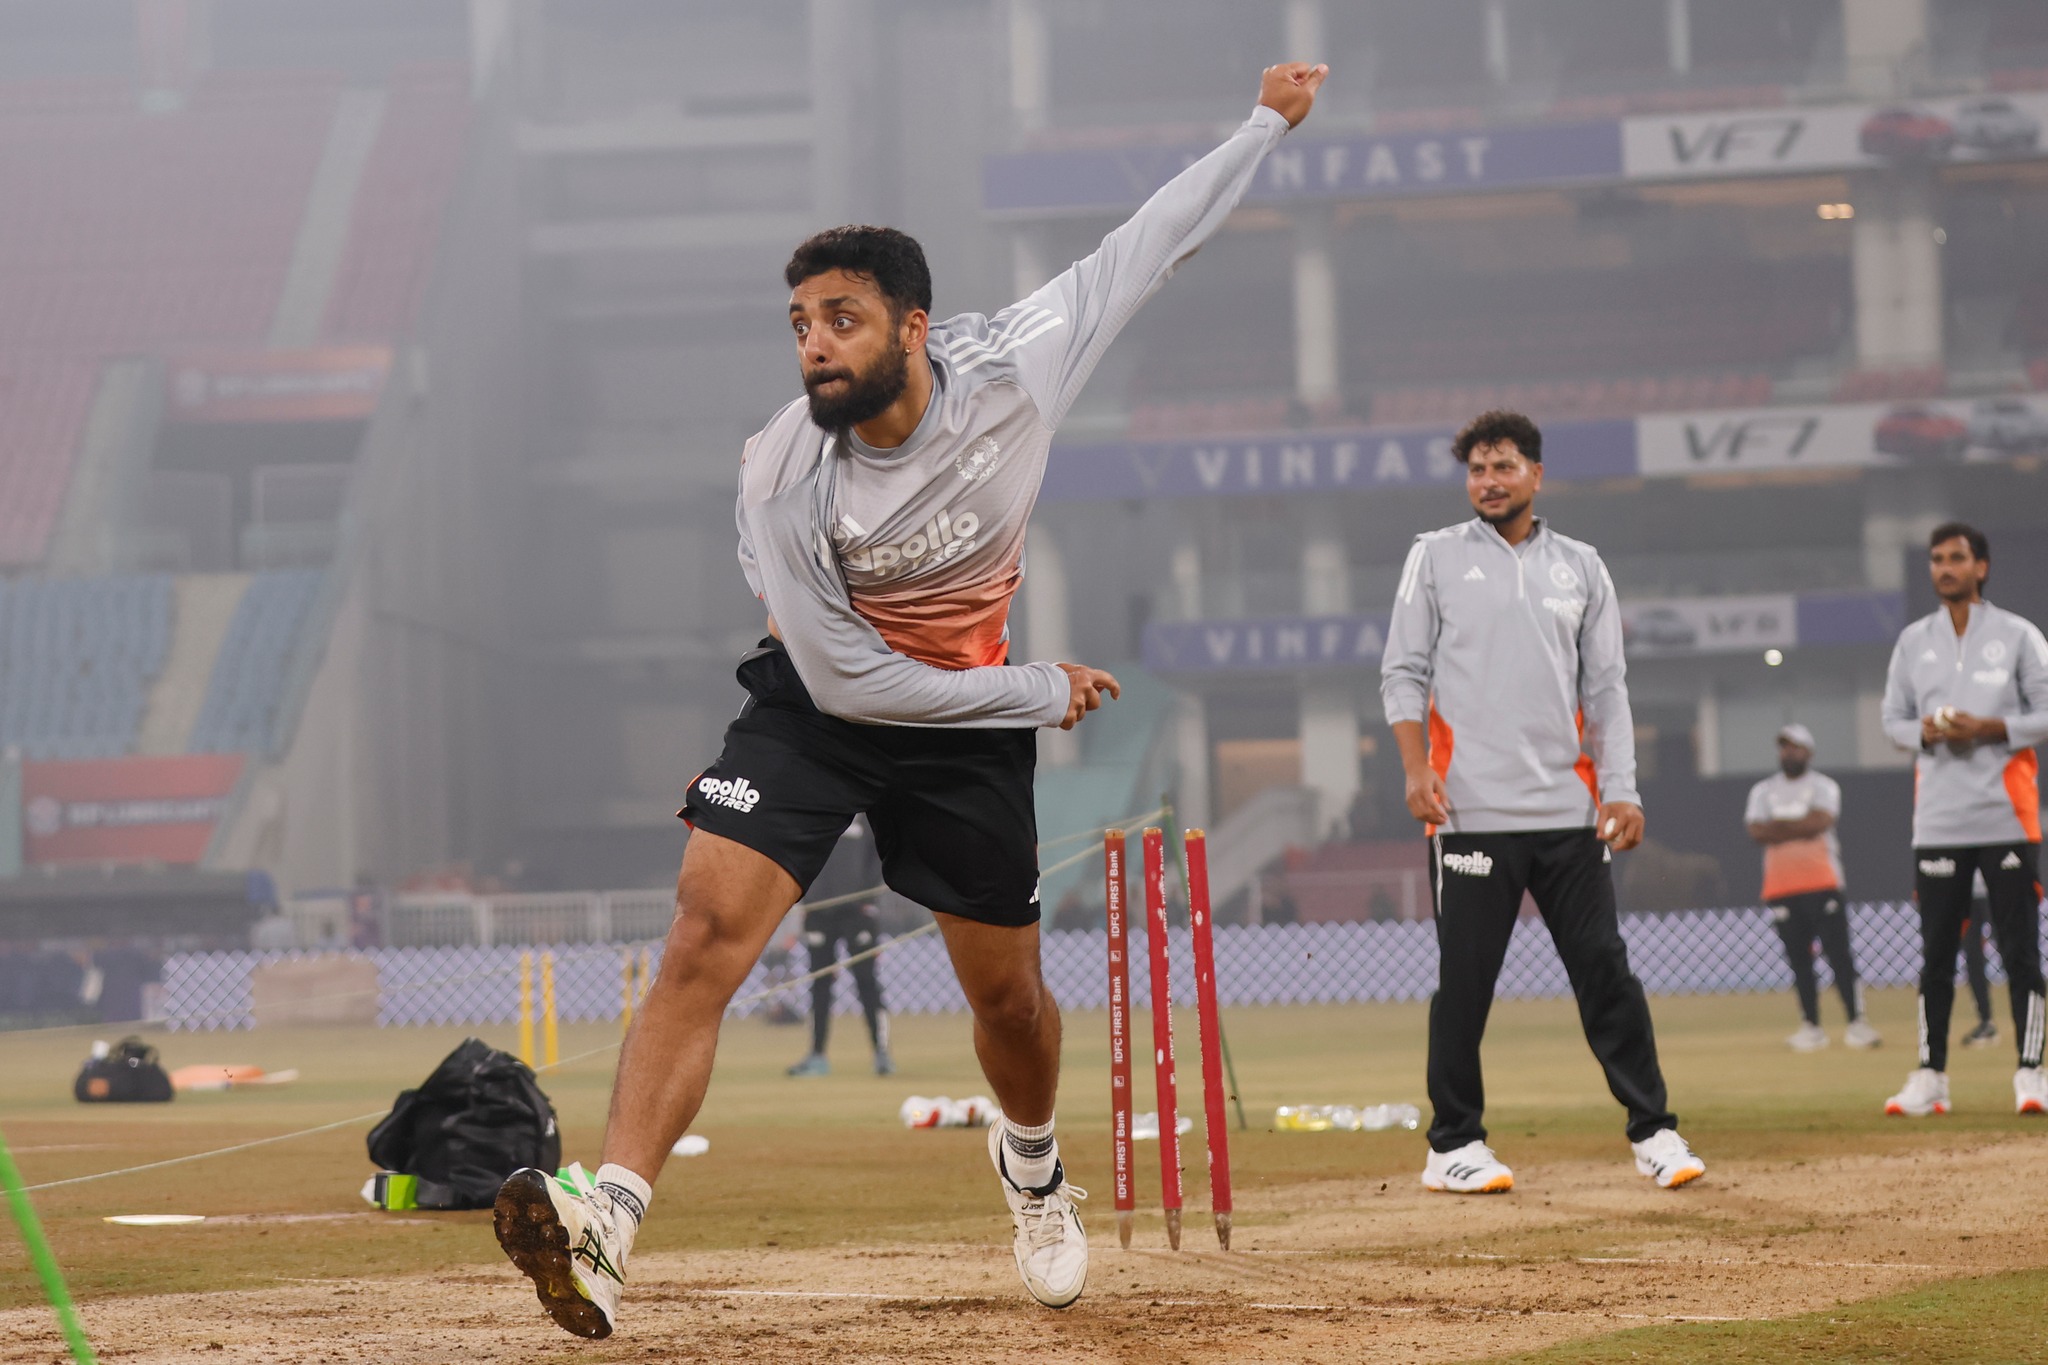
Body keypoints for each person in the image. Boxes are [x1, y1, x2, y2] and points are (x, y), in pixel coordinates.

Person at [490, 63, 1329, 1338]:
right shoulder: (782, 471)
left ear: (914, 326)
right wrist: (1037, 687)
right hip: (824, 705)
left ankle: (1032, 1170)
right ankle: (606, 1221)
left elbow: (1151, 240)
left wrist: (1263, 123)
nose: (813, 345)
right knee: (702, 935)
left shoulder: (1020, 364)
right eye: (798, 324)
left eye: (841, 318)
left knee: (1008, 1003)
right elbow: (841, 679)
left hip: (961, 719)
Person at [1380, 409, 1704, 1196]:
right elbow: (1402, 673)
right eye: (1477, 469)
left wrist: (1621, 788)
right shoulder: (1434, 556)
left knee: (1605, 971)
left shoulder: (1582, 566)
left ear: (1536, 474)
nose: (1489, 481)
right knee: (1465, 983)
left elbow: (1608, 689)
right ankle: (1453, 1143)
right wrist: (1416, 769)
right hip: (1468, 812)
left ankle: (1654, 1131)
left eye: (1504, 466)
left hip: (1569, 810)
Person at [1879, 522, 2048, 1117]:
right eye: (1937, 559)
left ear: (1982, 566)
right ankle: (1931, 1076)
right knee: (1935, 957)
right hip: (1939, 820)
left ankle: (2031, 1072)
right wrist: (1925, 732)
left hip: (2006, 816)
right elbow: (1892, 721)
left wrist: (1989, 728)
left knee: (2019, 952)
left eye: (1956, 558)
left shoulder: (2018, 635)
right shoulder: (1913, 641)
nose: (1945, 568)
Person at [1743, 723, 1879, 1052]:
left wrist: (1779, 826)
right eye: (1784, 747)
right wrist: (1800, 825)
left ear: (1809, 752)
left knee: (1840, 957)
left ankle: (1857, 1023)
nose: (1788, 753)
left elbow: (1820, 822)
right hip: (1781, 886)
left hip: (1822, 882)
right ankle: (1811, 1026)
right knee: (1799, 961)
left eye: (1795, 747)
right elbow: (1757, 831)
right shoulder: (1763, 791)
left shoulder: (1823, 786)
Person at [786, 814, 894, 1077]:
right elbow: (798, 853)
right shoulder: (812, 814)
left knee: (866, 981)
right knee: (819, 983)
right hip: (819, 912)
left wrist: (867, 897)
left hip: (858, 912)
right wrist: (806, 896)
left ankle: (881, 1053)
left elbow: (880, 855)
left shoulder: (866, 816)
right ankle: (816, 1055)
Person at [1960, 872, 2000, 1048]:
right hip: (1968, 894)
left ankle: (2031, 1018)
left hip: (1997, 888)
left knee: (2013, 955)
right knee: (1973, 958)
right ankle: (1986, 1022)